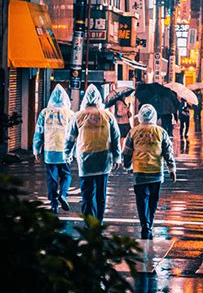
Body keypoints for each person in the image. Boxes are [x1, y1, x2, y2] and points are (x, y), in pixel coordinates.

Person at [65, 84, 121, 224]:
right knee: (101, 194)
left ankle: (90, 223)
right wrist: (117, 157)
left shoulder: (79, 116)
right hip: (103, 159)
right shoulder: (107, 116)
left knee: (87, 194)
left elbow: (70, 137)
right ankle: (99, 221)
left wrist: (67, 154)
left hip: (85, 159)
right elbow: (115, 138)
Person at [122, 104, 177, 239]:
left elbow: (127, 152)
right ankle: (149, 223)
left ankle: (144, 225)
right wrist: (171, 168)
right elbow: (168, 152)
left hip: (139, 171)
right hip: (156, 172)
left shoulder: (133, 132)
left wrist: (128, 166)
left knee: (141, 201)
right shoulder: (161, 132)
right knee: (153, 200)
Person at [33, 84, 74, 214]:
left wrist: (36, 149)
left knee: (52, 178)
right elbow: (74, 134)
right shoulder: (70, 114)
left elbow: (39, 132)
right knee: (66, 175)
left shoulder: (45, 112)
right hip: (65, 150)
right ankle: (63, 194)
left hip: (50, 150)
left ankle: (54, 204)